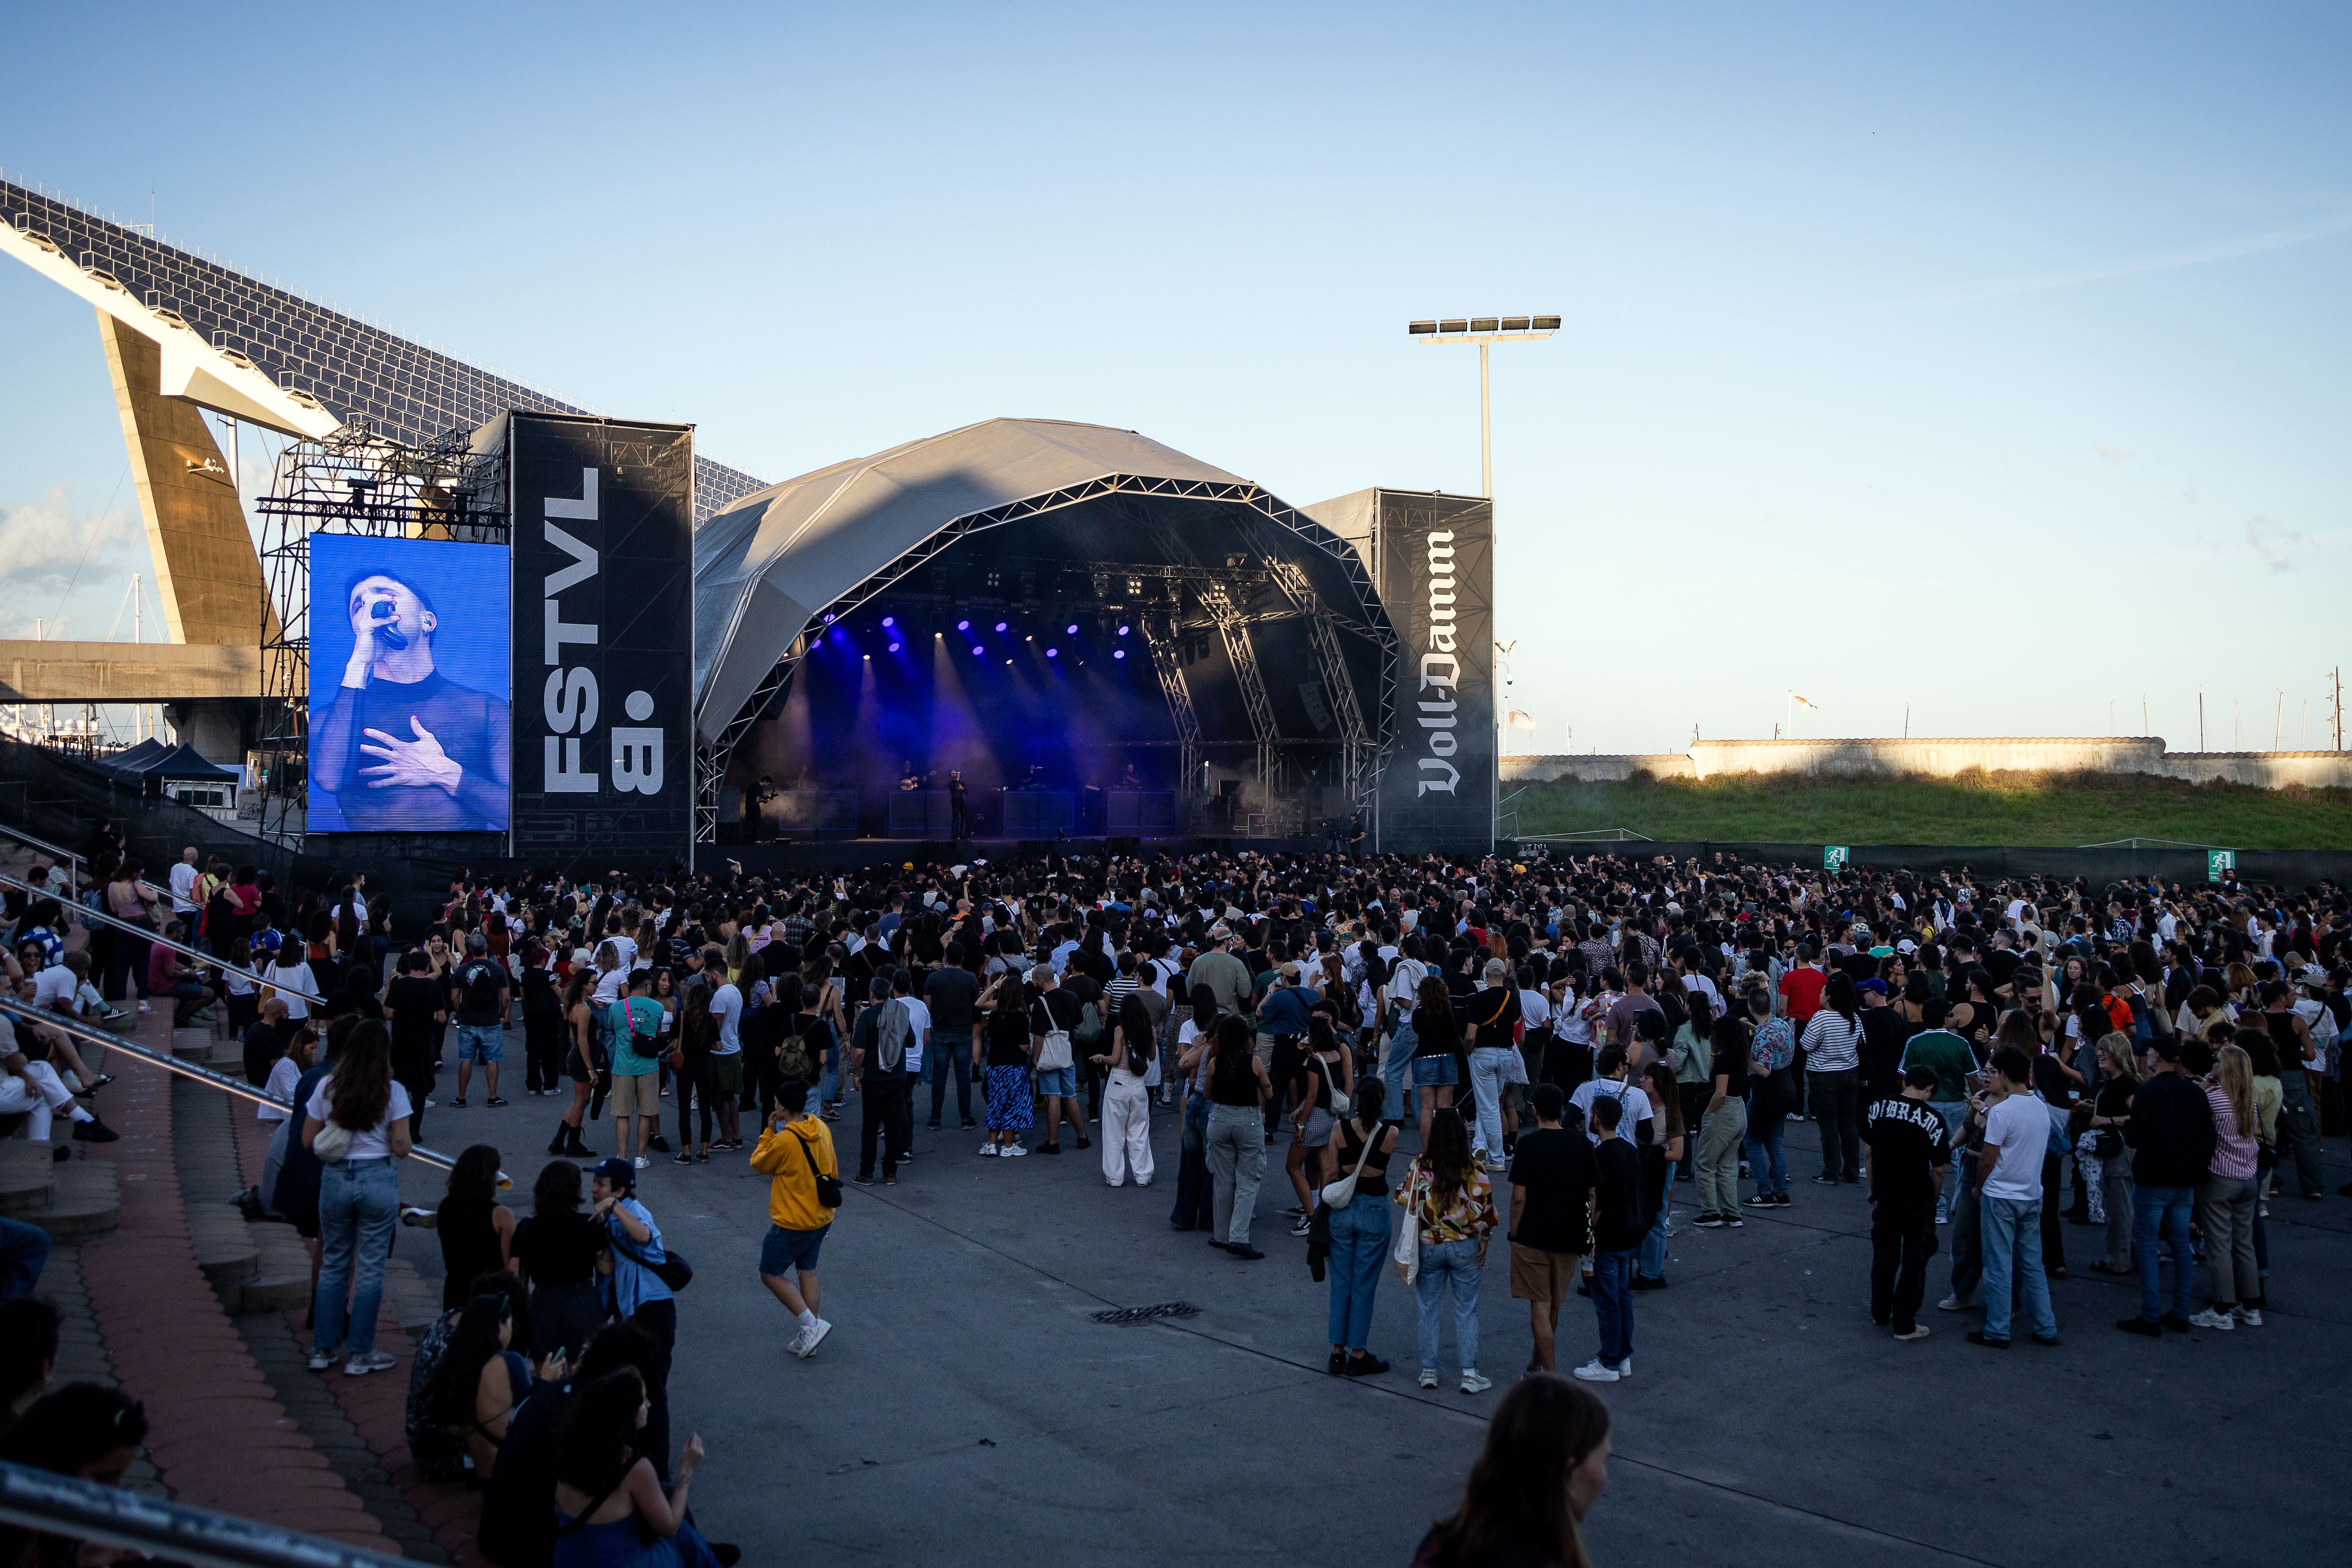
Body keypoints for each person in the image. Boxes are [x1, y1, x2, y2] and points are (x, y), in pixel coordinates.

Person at [311, 565, 513, 831]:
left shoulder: (487, 710)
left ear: (427, 621)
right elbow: (330, 780)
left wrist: (446, 774)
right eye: (358, 605)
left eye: (385, 594)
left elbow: (518, 814)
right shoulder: (331, 718)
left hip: (465, 867)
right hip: (370, 868)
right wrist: (359, 662)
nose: (371, 603)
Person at [303, 1018, 415, 1375]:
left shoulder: (326, 1087)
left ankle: (323, 1349)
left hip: (336, 1179)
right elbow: (401, 1148)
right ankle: (361, 1354)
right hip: (377, 1179)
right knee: (370, 1268)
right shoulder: (392, 1091)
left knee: (335, 1263)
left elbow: (308, 1141)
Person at [1409, 1375, 1612, 1568]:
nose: (1604, 1478)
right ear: (1568, 1470)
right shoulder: (1547, 1560)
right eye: (1604, 1461)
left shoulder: (1441, 1545)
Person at [550, 1367, 720, 1568]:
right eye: (643, 1400)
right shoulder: (634, 1468)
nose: (649, 1405)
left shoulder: (572, 1448)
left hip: (568, 1559)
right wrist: (687, 1469)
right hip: (618, 1562)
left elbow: (558, 1508)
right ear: (627, 1413)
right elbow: (670, 1527)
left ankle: (710, 1557)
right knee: (679, 1528)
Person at [1397, 1107, 1498, 1393]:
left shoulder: (1419, 1165)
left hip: (1429, 1246)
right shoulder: (1473, 1168)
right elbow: (1486, 1212)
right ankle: (1469, 1375)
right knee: (1467, 1310)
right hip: (1465, 1247)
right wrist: (1485, 1241)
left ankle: (1429, 1371)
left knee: (1428, 1309)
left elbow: (1406, 1199)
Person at [588, 1159, 676, 1478]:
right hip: (630, 1309)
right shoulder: (607, 1218)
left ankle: (659, 1469)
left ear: (620, 1191)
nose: (594, 1189)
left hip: (653, 1307)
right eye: (594, 1183)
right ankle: (637, 1452)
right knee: (635, 1385)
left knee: (653, 1389)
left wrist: (615, 1207)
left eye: (602, 1184)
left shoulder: (635, 1212)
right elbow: (607, 1269)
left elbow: (642, 1236)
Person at [1968, 1046, 2058, 1349]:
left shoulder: (2002, 1112)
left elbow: (1987, 1158)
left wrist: (1979, 1187)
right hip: (2031, 1194)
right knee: (2032, 1264)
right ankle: (2046, 1327)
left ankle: (1997, 1328)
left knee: (1999, 1264)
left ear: (2004, 1074)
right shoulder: (2039, 1108)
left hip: (2001, 1195)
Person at [1508, 1084, 1595, 1376]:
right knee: (1555, 1303)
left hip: (1533, 1235)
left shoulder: (1528, 1145)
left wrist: (1514, 1232)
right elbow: (1593, 1194)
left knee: (1540, 1306)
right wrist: (1589, 1227)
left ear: (1535, 1111)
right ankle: (1536, 1366)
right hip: (1570, 1235)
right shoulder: (1581, 1144)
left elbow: (1519, 1197)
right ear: (1562, 1110)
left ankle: (1551, 1376)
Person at [747, 1079, 836, 1358]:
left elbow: (760, 1163)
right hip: (821, 1215)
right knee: (807, 1271)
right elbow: (832, 1169)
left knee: (770, 1274)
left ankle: (811, 1325)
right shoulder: (821, 1127)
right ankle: (810, 1333)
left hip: (792, 1221)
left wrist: (768, 1132)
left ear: (783, 1108)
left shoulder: (786, 1139)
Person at [1864, 1064, 1950, 1340]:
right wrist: (1936, 1196)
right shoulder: (1933, 1119)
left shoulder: (1879, 1107)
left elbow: (1869, 1152)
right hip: (1917, 1196)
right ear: (1929, 1089)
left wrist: (1873, 1188)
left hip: (1886, 1193)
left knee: (1884, 1255)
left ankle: (1880, 1311)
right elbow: (1939, 1168)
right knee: (1915, 1259)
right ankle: (1905, 1323)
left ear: (1906, 1082)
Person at [1320, 1078, 1397, 1377]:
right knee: (1364, 1285)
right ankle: (1359, 1353)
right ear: (1381, 1102)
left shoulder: (1339, 1130)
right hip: (1375, 1210)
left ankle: (1337, 1352)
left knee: (1341, 1282)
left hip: (1343, 1210)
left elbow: (1330, 1171)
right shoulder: (1391, 1134)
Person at [2190, 1040, 2263, 1329]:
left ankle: (2222, 1308)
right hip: (2248, 1176)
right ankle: (2251, 1305)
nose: (2213, 1065)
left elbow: (2193, 1112)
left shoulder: (2214, 1098)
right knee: (2244, 1243)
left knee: (2218, 1243)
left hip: (2220, 1177)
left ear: (2225, 1069)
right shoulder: (2249, 1099)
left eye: (2218, 1062)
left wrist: (2204, 1087)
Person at [510, 1160, 609, 1363]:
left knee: (545, 1367)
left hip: (544, 1302)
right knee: (584, 1368)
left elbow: (515, 1276)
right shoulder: (589, 1223)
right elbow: (606, 1268)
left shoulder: (527, 1228)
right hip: (581, 1300)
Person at [1574, 1094, 1643, 1383]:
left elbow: (1596, 1202)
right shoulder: (1629, 1150)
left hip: (1608, 1237)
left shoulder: (1600, 1155)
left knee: (1606, 1301)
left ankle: (1609, 1361)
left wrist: (1589, 1237)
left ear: (1597, 1118)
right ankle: (1622, 1355)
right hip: (1629, 1234)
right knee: (1622, 1296)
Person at [1202, 1013, 1272, 1260]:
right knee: (1249, 1179)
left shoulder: (1214, 1063)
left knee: (1223, 1179)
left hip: (1219, 1119)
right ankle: (1239, 1237)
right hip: (1247, 1120)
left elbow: (1207, 1094)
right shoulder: (1255, 1063)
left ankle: (1220, 1235)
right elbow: (1269, 1093)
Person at [429, 1144, 516, 1312]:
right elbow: (509, 1268)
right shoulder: (501, 1215)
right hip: (489, 1296)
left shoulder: (445, 1204)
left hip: (455, 1290)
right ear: (488, 1176)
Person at [847, 973, 912, 1186]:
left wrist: (856, 1075)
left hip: (874, 1078)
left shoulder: (867, 1017)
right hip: (897, 1076)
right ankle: (890, 1172)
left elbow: (859, 1052)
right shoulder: (901, 1012)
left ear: (872, 994)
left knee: (871, 1126)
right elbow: (910, 1041)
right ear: (890, 991)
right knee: (894, 1125)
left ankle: (866, 1172)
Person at [1801, 974, 1867, 1184]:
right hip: (1850, 1073)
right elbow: (1861, 1043)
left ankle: (1831, 1172)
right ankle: (1852, 1170)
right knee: (1849, 1124)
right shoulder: (1853, 1017)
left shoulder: (1821, 1018)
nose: (1820, 995)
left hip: (1824, 1076)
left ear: (1828, 997)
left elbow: (1806, 1045)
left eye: (1822, 993)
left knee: (1828, 1126)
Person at [1090, 992, 1157, 1187]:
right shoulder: (1149, 1030)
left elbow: (1115, 1059)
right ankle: (1143, 1175)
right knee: (1139, 1131)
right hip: (1138, 1084)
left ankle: (1116, 1177)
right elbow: (1152, 1057)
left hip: (1119, 1082)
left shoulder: (1120, 1030)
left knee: (1114, 1133)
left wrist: (1101, 1058)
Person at [1692, 1009, 1749, 1228]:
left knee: (1705, 1163)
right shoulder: (1739, 1055)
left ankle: (1710, 1213)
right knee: (1726, 1164)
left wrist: (1708, 1114)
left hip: (1723, 1111)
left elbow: (1720, 1091)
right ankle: (1732, 1212)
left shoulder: (1725, 1059)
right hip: (1739, 1110)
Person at [1029, 963, 1090, 1156]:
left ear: (1039, 981)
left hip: (1049, 1055)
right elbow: (1079, 1024)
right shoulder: (1071, 997)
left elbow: (1039, 1035)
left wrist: (1035, 1058)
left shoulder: (1041, 1002)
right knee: (1070, 1095)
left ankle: (1053, 1142)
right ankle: (1082, 1137)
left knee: (1053, 1096)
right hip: (1067, 1052)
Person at [605, 971, 664, 1170]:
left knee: (623, 1114)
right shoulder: (657, 1007)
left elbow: (612, 1028)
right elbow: (658, 1031)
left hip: (623, 1067)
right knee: (646, 1113)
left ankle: (622, 1157)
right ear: (648, 986)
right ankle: (640, 1156)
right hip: (649, 1066)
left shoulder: (616, 1007)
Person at [1632, 1062, 1683, 1288]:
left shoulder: (1670, 1113)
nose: (1642, 1080)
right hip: (1641, 1170)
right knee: (1641, 1219)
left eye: (1648, 1077)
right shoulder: (1640, 1104)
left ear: (1659, 1084)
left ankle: (1652, 1273)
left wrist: (1653, 1156)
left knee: (1655, 1221)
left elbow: (1677, 1153)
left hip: (1658, 1173)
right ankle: (1649, 1262)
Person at [922, 944, 981, 1131]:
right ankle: (966, 1118)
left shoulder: (933, 978)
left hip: (940, 1030)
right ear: (962, 958)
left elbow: (927, 1007)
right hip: (963, 1030)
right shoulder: (970, 978)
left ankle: (935, 1118)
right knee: (963, 1075)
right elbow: (977, 1004)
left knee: (939, 1075)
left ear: (946, 957)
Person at [977, 970, 1035, 1157]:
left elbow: (979, 1004)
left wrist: (994, 986)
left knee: (995, 1103)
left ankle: (991, 1144)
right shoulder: (1020, 1017)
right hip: (1015, 1067)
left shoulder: (996, 1014)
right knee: (1011, 1105)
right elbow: (1024, 1046)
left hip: (995, 1065)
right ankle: (1009, 1147)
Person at [452, 931, 512, 1109]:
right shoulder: (498, 969)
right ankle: (492, 1097)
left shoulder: (462, 970)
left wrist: (461, 1013)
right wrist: (502, 1014)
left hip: (469, 1019)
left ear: (470, 950)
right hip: (491, 1020)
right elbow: (507, 998)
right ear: (486, 948)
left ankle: (461, 1097)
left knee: (466, 1059)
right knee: (492, 1059)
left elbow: (454, 998)